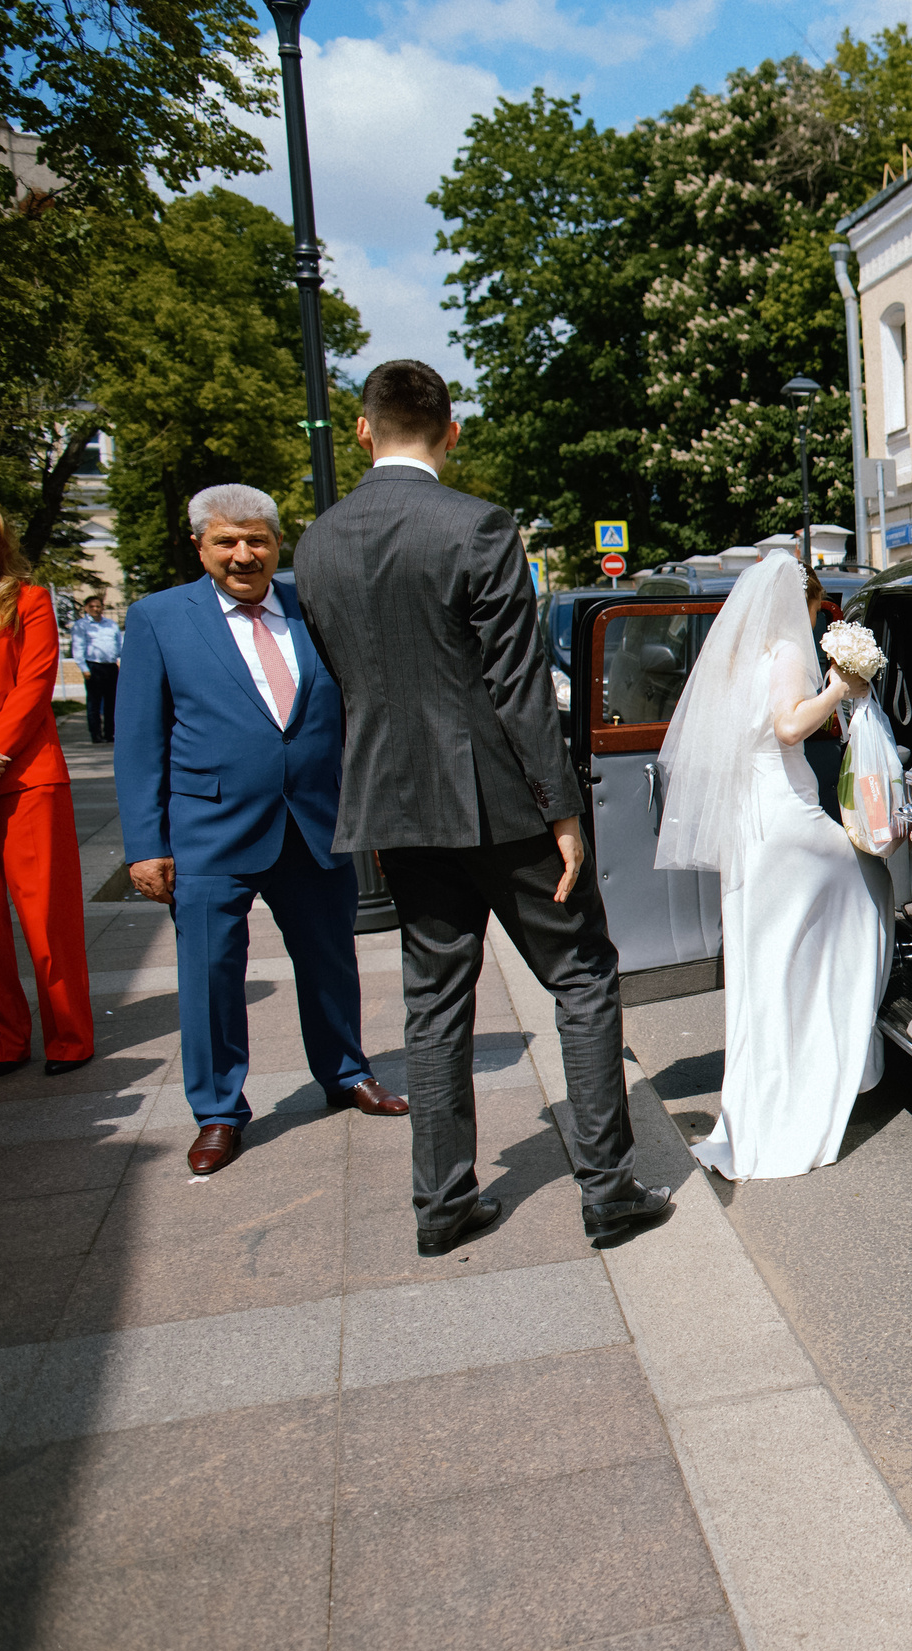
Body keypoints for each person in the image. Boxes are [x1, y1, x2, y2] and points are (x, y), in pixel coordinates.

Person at [295, 358, 670, 1256]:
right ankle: (610, 1192)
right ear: (451, 430)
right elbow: (518, 685)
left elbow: (348, 678)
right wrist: (565, 809)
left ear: (362, 429)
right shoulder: (477, 526)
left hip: (398, 808)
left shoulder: (317, 543)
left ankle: (442, 1203)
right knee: (580, 977)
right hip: (504, 804)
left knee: (433, 1001)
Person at [115, 484, 409, 1177]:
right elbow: (138, 739)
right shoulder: (160, 617)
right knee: (212, 974)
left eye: (258, 540)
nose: (244, 554)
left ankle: (345, 1072)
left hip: (313, 821)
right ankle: (218, 1111)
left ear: (278, 542)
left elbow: (357, 710)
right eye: (227, 541)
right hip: (208, 830)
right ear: (201, 546)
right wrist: (145, 844)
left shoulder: (315, 606)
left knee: (332, 958)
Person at [655, 551, 890, 1178]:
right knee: (871, 884)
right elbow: (789, 728)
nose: (814, 624)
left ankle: (764, 1103)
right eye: (815, 610)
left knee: (763, 964)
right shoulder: (788, 649)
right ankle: (843, 1051)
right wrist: (842, 687)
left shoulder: (739, 657)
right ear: (802, 603)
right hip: (787, 819)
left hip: (749, 823)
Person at [0, 481, 92, 1078]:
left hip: (28, 774)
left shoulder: (27, 600)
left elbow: (34, 683)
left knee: (48, 914)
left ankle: (69, 1036)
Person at [68, 592, 121, 742]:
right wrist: (84, 668)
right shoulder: (81, 626)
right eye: (92, 606)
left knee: (112, 702)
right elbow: (78, 647)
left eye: (98, 606)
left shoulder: (111, 625)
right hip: (93, 667)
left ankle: (109, 733)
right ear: (86, 608)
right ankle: (96, 734)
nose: (96, 609)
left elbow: (119, 644)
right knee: (94, 703)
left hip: (110, 666)